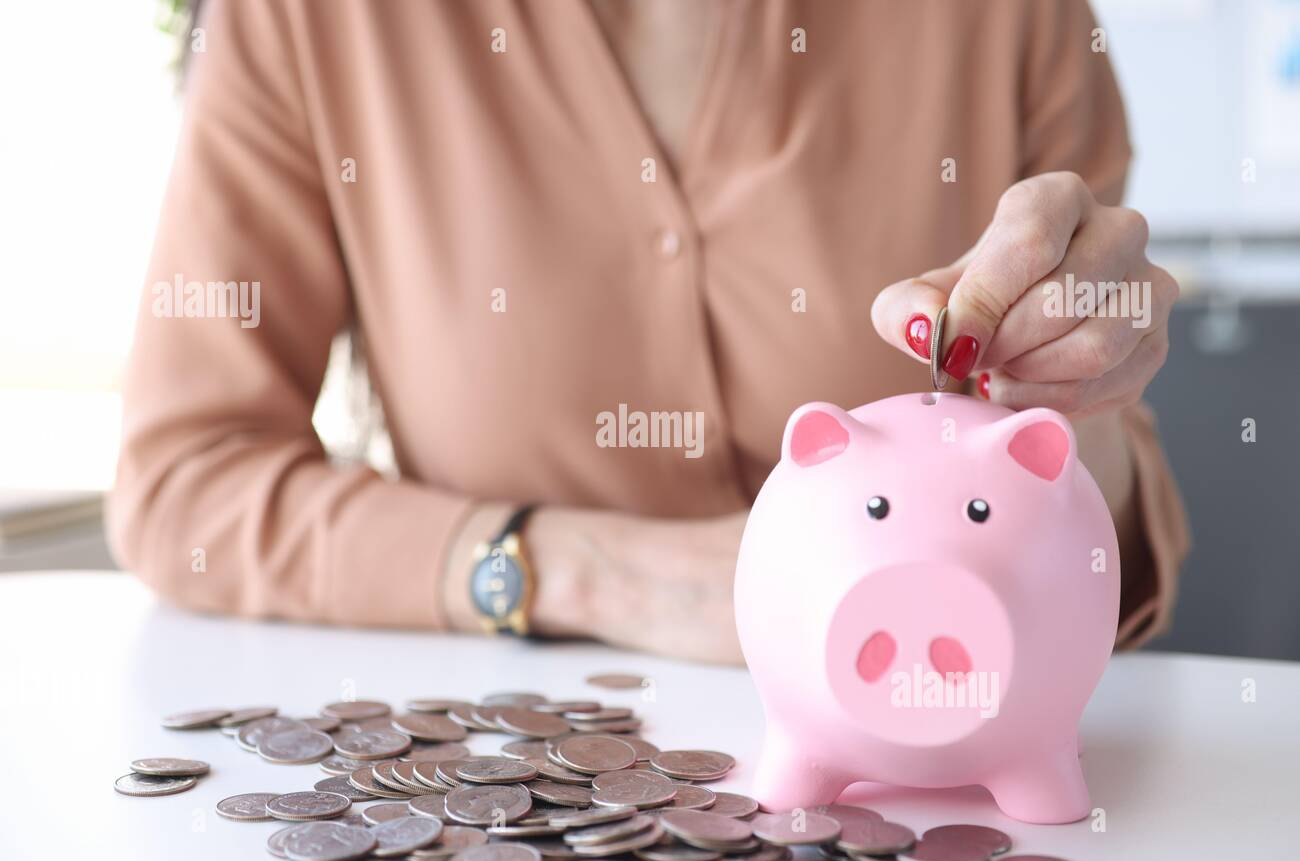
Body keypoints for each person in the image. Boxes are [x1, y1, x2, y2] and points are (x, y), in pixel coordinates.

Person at [109, 0, 1189, 664]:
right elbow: (185, 483)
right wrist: (589, 576)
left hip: (929, 759)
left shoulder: (1009, 13)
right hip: (504, 779)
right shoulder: (307, 21)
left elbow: (1112, 534)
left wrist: (1070, 401)